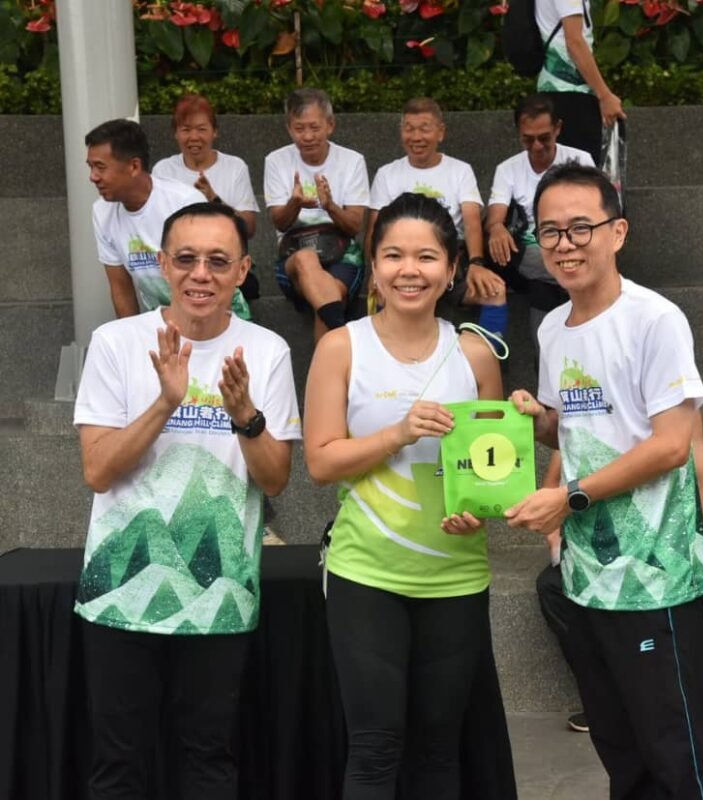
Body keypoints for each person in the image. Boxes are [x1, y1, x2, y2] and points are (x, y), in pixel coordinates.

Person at [505, 163, 703, 799]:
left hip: (654, 578)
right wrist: (536, 418)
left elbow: (670, 446)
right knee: (622, 756)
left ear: (618, 232)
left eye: (581, 227)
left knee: (678, 761)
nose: (565, 244)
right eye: (550, 231)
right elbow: (570, 431)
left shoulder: (655, 319)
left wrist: (569, 498)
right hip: (587, 577)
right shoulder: (553, 327)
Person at [73, 202, 300, 799]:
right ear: (162, 264)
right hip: (119, 593)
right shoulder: (116, 342)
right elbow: (98, 471)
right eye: (187, 259)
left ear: (243, 270)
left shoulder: (267, 351)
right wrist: (164, 403)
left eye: (219, 261)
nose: (201, 274)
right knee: (118, 763)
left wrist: (245, 416)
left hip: (221, 594)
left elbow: (275, 480)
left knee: (209, 759)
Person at [303, 192, 507, 799]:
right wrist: (397, 433)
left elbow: (492, 471)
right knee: (374, 746)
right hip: (366, 573)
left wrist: (480, 513)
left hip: (456, 575)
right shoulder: (341, 347)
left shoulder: (475, 354)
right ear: (373, 265)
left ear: (452, 268)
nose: (408, 270)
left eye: (426, 257)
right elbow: (320, 461)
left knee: (439, 748)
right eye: (393, 255)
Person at [536, 407, 703, 732]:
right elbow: (551, 492)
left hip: (663, 544)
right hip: (593, 550)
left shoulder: (679, 408)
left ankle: (679, 690)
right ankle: (605, 698)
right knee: (552, 588)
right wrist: (560, 545)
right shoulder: (582, 410)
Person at [367, 97, 507, 339]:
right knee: (379, 291)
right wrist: (375, 270)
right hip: (404, 262)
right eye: (409, 129)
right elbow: (375, 230)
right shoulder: (387, 174)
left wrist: (477, 263)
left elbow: (472, 221)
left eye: (424, 129)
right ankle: (387, 352)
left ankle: (486, 355)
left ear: (440, 132)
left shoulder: (459, 170)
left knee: (494, 291)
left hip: (451, 261)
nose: (416, 137)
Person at [86, 118, 251, 320]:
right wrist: (131, 335)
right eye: (91, 167)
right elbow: (121, 288)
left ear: (134, 166)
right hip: (162, 320)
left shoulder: (184, 201)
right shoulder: (102, 212)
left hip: (218, 314)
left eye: (100, 167)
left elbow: (210, 271)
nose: (93, 176)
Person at [487, 94, 595, 351]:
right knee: (500, 245)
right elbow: (495, 215)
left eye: (544, 138)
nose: (536, 146)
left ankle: (564, 283)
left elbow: (596, 211)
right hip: (531, 251)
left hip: (572, 243)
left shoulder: (580, 160)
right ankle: (581, 281)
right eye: (528, 139)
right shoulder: (507, 169)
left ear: (558, 128)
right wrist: (496, 227)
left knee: (542, 291)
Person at [263, 88, 369, 342]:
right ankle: (345, 339)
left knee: (326, 293)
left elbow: (355, 226)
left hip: (343, 252)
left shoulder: (352, 161)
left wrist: (330, 206)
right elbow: (279, 222)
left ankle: (326, 360)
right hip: (293, 254)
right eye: (299, 128)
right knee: (306, 258)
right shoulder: (276, 161)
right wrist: (295, 203)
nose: (308, 136)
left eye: (314, 127)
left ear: (330, 125)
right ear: (289, 128)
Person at [153, 93, 262, 300]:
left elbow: (249, 228)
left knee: (247, 286)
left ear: (215, 132)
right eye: (186, 130)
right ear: (176, 133)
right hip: (181, 262)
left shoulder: (235, 167)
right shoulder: (163, 171)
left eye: (201, 129)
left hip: (223, 260)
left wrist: (214, 200)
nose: (194, 137)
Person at [535, 0, 626, 163]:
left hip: (552, 91)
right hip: (572, 97)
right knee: (580, 173)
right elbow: (575, 43)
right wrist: (605, 96)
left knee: (563, 171)